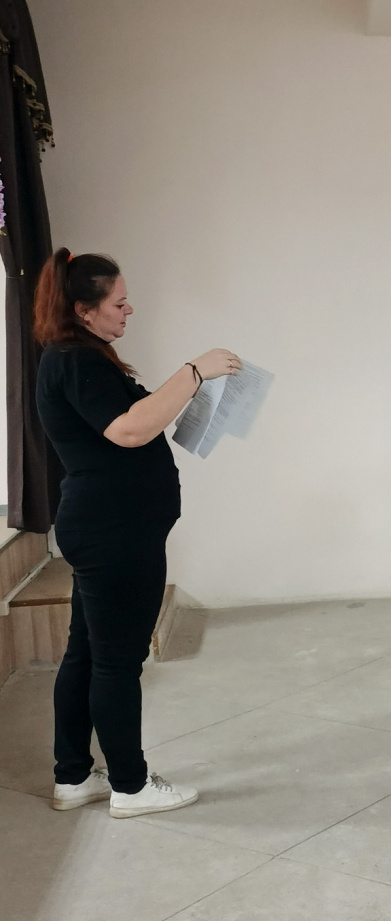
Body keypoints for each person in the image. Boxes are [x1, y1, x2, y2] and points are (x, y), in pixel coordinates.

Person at [37, 248, 240, 819]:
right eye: (119, 303)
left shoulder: (78, 357)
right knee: (117, 663)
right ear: (84, 310)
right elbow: (128, 430)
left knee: (87, 654)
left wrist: (189, 392)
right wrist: (194, 371)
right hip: (114, 533)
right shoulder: (76, 360)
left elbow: (134, 420)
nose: (129, 310)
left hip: (107, 527)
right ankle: (130, 785)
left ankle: (74, 775)